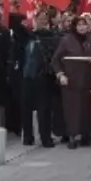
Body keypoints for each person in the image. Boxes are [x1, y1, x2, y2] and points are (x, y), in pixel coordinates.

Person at [51, 13, 91, 148]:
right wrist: (61, 75)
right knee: (71, 109)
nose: (82, 27)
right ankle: (72, 136)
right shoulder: (66, 40)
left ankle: (86, 135)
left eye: (84, 24)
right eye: (79, 25)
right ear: (74, 26)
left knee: (86, 109)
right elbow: (55, 60)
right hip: (71, 81)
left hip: (88, 80)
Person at [21, 9, 62, 147]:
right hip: (27, 75)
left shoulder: (53, 37)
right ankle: (27, 137)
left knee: (44, 108)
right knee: (26, 107)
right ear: (35, 19)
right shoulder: (27, 36)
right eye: (40, 18)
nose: (43, 21)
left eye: (45, 18)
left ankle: (45, 137)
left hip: (44, 75)